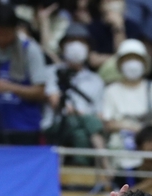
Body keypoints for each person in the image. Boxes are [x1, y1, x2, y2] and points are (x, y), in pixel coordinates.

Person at [0, 3, 47, 145]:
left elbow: (40, 92)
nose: (1, 38)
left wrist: (11, 87)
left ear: (15, 29)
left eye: (6, 33)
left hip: (24, 128)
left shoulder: (30, 50)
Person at [46, 22, 108, 166]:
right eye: (71, 41)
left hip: (84, 128)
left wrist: (82, 116)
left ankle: (79, 177)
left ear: (88, 48)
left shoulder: (96, 80)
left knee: (80, 133)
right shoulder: (52, 72)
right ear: (62, 46)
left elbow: (99, 114)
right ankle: (105, 163)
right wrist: (77, 113)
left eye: (80, 41)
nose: (76, 46)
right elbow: (55, 101)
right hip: (57, 124)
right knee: (79, 124)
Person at [102, 38, 152, 158]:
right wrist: (132, 128)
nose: (132, 63)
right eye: (128, 59)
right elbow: (108, 123)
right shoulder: (111, 90)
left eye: (137, 59)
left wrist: (145, 135)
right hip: (120, 141)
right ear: (120, 63)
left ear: (144, 63)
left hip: (148, 141)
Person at [87, 0, 147, 70]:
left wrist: (118, 28)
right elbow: (93, 61)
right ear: (101, 6)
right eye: (109, 1)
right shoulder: (92, 28)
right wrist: (120, 59)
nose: (114, 5)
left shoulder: (133, 28)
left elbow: (130, 59)